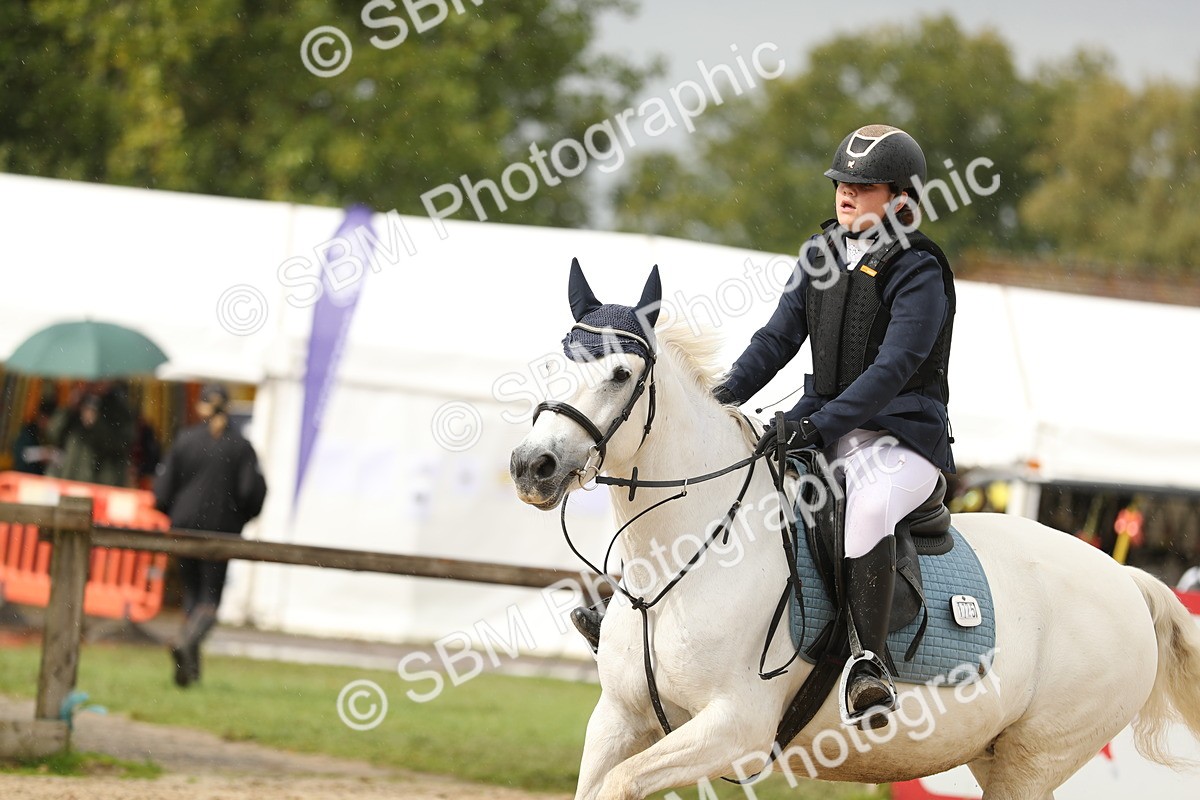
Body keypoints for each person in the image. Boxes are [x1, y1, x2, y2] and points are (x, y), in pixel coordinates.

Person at [572, 125, 956, 730]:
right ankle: (632, 617)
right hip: (823, 427)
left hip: (900, 438)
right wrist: (717, 403)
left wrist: (819, 424)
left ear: (901, 198)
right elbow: (776, 340)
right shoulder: (822, 253)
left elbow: (892, 369)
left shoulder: (919, 269)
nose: (846, 194)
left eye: (863, 187)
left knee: (866, 508)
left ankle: (869, 663)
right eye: (842, 184)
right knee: (718, 487)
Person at [154, 383, 267, 687]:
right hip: (221, 530)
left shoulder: (185, 440)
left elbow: (162, 490)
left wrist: (175, 513)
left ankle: (189, 673)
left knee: (192, 595)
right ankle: (186, 644)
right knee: (210, 600)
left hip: (184, 527)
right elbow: (252, 492)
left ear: (201, 407)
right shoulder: (241, 447)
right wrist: (239, 518)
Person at [45, 382, 135, 486]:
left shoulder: (118, 407)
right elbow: (53, 433)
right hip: (71, 477)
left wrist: (96, 424)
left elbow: (122, 443)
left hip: (101, 482)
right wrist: (68, 409)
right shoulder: (78, 403)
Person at [11, 398, 58, 474]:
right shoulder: (29, 431)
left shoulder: (53, 435)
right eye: (42, 418)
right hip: (25, 474)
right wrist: (41, 454)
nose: (44, 422)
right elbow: (20, 453)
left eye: (46, 419)